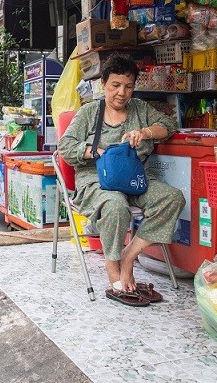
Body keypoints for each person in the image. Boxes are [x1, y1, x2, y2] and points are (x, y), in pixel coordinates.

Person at [58, 55, 185, 307]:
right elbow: (66, 146)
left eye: (128, 86)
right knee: (115, 204)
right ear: (103, 84)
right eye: (115, 85)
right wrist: (96, 152)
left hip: (134, 179)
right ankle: (112, 266)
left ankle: (128, 257)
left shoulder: (139, 109)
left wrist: (145, 132)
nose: (121, 92)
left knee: (172, 198)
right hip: (96, 181)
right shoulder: (89, 112)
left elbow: (169, 125)